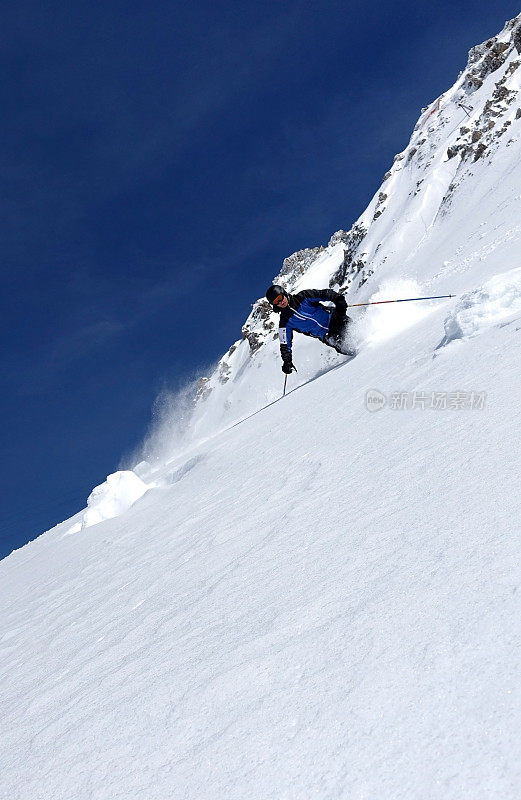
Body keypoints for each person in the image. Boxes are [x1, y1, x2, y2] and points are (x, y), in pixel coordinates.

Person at [265, 284, 355, 373]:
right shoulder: (284, 322)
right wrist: (287, 361)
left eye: (280, 298)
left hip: (333, 318)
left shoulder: (303, 297)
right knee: (346, 347)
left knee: (353, 330)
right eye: (276, 302)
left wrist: (338, 299)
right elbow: (285, 343)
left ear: (284, 293)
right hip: (325, 335)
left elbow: (324, 294)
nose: (280, 302)